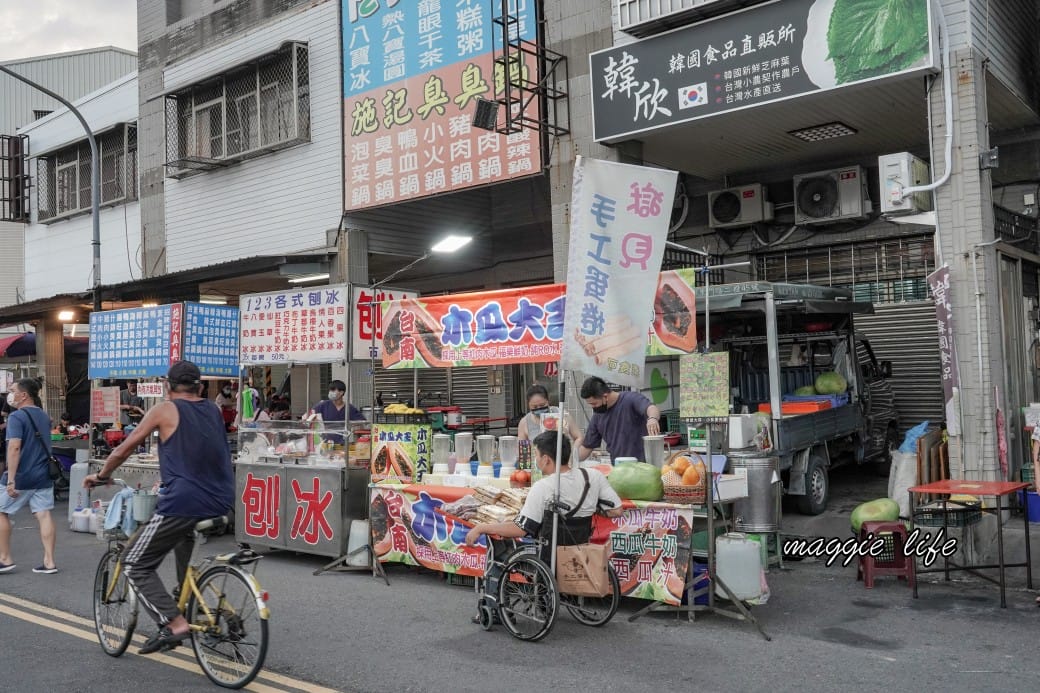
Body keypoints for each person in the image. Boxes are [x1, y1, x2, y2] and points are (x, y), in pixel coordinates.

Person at [84, 360, 234, 654]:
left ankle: (174, 623)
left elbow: (124, 448)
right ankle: (196, 604)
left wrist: (101, 476)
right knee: (183, 541)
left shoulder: (165, 409)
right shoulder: (213, 410)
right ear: (200, 386)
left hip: (182, 502)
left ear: (167, 386)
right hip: (221, 500)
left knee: (133, 562)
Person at [465, 430, 623, 553]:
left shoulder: (543, 487)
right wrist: (588, 506)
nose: (536, 460)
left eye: (536, 455)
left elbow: (519, 529)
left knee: (498, 548)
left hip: (550, 556)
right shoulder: (593, 476)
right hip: (582, 550)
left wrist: (481, 528)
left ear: (546, 459)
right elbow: (616, 510)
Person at [0, 378, 58, 574]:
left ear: (23, 395)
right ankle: (49, 562)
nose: (10, 394)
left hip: (22, 475)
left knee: (1, 511)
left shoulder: (17, 417)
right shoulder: (43, 415)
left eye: (12, 390)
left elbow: (14, 447)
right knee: (43, 514)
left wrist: (10, 479)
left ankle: (5, 559)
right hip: (43, 474)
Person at [577, 376, 661, 461]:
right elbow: (586, 447)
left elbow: (651, 408)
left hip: (644, 465)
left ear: (605, 396)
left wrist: (652, 419)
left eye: (594, 404)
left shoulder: (630, 399)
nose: (593, 407)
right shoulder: (597, 416)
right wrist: (568, 461)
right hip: (619, 469)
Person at [516, 384, 583, 451]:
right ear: (528, 405)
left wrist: (572, 453)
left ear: (548, 401)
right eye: (534, 407)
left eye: (542, 405)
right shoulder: (525, 422)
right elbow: (523, 451)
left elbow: (579, 437)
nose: (539, 408)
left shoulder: (561, 413)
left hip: (562, 458)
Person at [311, 380, 363, 445]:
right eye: (330, 390)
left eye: (333, 390)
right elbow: (310, 414)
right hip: (324, 444)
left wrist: (348, 426)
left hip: (342, 445)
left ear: (341, 392)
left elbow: (361, 421)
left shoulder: (349, 408)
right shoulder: (323, 405)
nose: (330, 392)